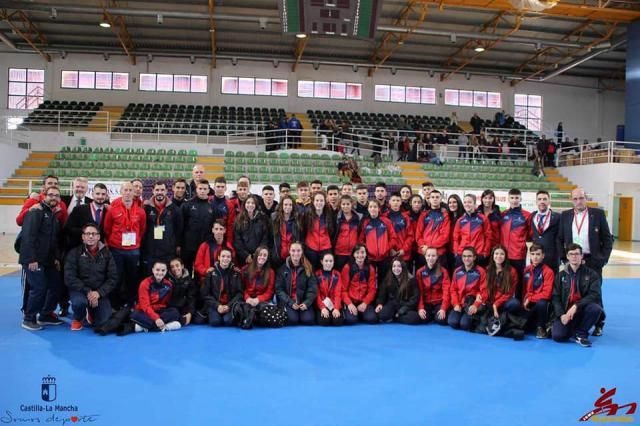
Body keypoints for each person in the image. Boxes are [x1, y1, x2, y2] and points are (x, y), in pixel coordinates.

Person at [558, 188, 612, 336]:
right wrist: (564, 258)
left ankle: (599, 323)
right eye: (575, 199)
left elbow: (607, 238)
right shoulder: (565, 215)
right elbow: (560, 238)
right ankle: (577, 318)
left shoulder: (598, 214)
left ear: (586, 198)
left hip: (592, 260)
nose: (578, 201)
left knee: (596, 294)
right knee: (574, 290)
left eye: (581, 198)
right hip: (573, 259)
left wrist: (603, 259)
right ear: (571, 200)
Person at [19, 186, 64, 331]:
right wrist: (31, 259)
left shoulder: (53, 216)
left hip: (48, 260)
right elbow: (28, 236)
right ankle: (29, 318)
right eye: (50, 195)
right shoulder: (35, 211)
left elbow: (54, 240)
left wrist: (56, 258)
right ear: (44, 196)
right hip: (33, 259)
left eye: (56, 196)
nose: (53, 198)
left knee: (56, 285)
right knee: (38, 288)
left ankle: (45, 315)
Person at [64, 223, 117, 331]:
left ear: (98, 236)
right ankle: (78, 318)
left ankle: (91, 311)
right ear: (83, 237)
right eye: (88, 234)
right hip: (80, 291)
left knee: (103, 322)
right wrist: (88, 292)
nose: (91, 237)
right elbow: (69, 277)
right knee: (79, 303)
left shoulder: (107, 254)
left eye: (94, 234)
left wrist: (98, 293)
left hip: (99, 292)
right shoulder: (74, 253)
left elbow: (113, 278)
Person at [103, 181, 146, 308]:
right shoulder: (113, 210)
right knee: (116, 277)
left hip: (134, 250)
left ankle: (131, 302)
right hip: (116, 249)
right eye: (125, 190)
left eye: (130, 190)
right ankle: (115, 304)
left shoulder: (140, 212)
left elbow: (142, 229)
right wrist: (114, 241)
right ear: (121, 192)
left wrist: (136, 241)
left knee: (132, 278)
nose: (127, 193)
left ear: (134, 193)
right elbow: (107, 229)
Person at [551, 244, 604, 348]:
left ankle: (581, 333)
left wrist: (576, 306)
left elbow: (595, 295)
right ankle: (573, 328)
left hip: (582, 309)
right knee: (558, 336)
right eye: (571, 254)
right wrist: (561, 314)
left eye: (577, 254)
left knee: (596, 308)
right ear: (567, 256)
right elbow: (555, 297)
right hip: (566, 311)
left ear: (582, 256)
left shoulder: (592, 274)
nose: (574, 256)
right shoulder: (560, 275)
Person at [141, 181, 183, 274]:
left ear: (167, 191)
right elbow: (142, 228)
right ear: (152, 191)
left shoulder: (175, 209)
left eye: (162, 190)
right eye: (157, 190)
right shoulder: (146, 208)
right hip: (150, 250)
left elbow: (179, 230)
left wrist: (177, 246)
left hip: (168, 251)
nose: (159, 192)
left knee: (167, 277)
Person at [129, 261, 181, 332]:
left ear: (166, 271)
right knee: (134, 315)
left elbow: (165, 303)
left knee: (175, 312)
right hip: (145, 311)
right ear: (153, 270)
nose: (160, 273)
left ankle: (144, 327)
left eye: (163, 270)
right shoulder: (144, 283)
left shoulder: (168, 285)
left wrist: (158, 316)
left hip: (159, 311)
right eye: (157, 270)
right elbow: (145, 306)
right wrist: (156, 318)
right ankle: (165, 327)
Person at [275, 242, 317, 325]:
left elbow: (312, 289)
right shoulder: (282, 269)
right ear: (289, 251)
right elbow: (279, 289)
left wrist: (306, 303)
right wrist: (290, 302)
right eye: (293, 251)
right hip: (289, 302)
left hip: (303, 302)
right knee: (292, 320)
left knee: (308, 320)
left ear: (302, 252)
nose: (296, 253)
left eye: (298, 251)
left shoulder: (308, 268)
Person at [198, 248, 243, 327]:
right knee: (215, 322)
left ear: (231, 258)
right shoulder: (210, 273)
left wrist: (229, 305)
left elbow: (240, 294)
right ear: (219, 257)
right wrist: (217, 306)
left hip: (230, 305)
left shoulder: (236, 273)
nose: (225, 259)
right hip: (215, 305)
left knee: (228, 321)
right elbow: (205, 294)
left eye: (228, 257)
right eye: (223, 256)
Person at [447, 246, 486, 331]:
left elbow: (483, 291)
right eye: (464, 256)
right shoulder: (457, 271)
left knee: (464, 325)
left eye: (469, 256)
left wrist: (476, 305)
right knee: (453, 323)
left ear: (474, 257)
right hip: (460, 303)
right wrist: (456, 304)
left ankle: (475, 317)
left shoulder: (481, 271)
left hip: (471, 304)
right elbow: (453, 290)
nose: (466, 258)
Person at [359, 200, 398, 284]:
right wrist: (367, 249)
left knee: (384, 280)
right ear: (368, 209)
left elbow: (393, 237)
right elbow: (361, 240)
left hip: (384, 257)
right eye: (370, 207)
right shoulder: (365, 222)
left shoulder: (386, 221)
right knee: (370, 279)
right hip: (370, 258)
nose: (373, 209)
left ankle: (382, 296)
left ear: (379, 208)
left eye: (375, 207)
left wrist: (386, 248)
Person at [180, 180, 214, 275]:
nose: (202, 191)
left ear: (208, 190)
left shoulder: (212, 207)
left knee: (201, 273)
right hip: (188, 246)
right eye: (200, 188)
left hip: (204, 246)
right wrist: (179, 244)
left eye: (204, 189)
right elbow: (180, 227)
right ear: (196, 189)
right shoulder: (187, 205)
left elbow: (213, 227)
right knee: (186, 272)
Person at [499, 188, 531, 286]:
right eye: (512, 198)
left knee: (518, 280)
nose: (514, 200)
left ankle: (518, 300)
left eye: (517, 198)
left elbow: (530, 234)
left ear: (520, 199)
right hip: (504, 254)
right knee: (503, 279)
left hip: (518, 254)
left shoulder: (527, 215)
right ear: (508, 199)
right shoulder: (503, 214)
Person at [64, 183, 109, 249]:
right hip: (80, 249)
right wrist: (85, 232)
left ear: (106, 196)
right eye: (97, 194)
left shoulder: (108, 211)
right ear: (92, 194)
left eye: (103, 194)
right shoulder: (79, 209)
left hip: (100, 250)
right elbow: (68, 228)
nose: (100, 196)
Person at [522, 244, 554, 339]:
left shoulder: (548, 272)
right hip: (528, 304)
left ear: (543, 255)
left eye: (538, 254)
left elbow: (547, 294)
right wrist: (524, 302)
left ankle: (541, 327)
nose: (535, 257)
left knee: (542, 303)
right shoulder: (526, 270)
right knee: (522, 326)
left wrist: (530, 298)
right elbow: (523, 290)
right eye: (532, 254)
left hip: (540, 304)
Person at [375, 258, 420, 324]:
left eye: (399, 266)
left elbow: (415, 298)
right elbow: (382, 293)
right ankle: (396, 315)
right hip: (393, 303)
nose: (396, 268)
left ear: (403, 267)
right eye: (394, 266)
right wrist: (380, 304)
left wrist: (402, 310)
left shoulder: (411, 279)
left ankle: (397, 317)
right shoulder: (388, 278)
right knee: (382, 316)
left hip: (406, 305)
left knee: (414, 318)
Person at [340, 244, 378, 325]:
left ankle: (361, 313)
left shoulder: (370, 268)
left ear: (366, 254)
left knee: (372, 319)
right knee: (350, 320)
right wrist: (349, 304)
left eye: (362, 252)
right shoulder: (347, 268)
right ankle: (355, 313)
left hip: (364, 301)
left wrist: (365, 303)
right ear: (353, 254)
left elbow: (372, 290)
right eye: (357, 253)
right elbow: (343, 290)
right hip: (351, 301)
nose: (360, 255)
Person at [482, 245, 521, 320]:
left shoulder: (512, 271)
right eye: (496, 253)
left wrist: (496, 304)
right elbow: (484, 289)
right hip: (490, 301)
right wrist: (485, 301)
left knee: (515, 303)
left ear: (505, 256)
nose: (499, 256)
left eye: (502, 254)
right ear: (492, 255)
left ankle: (502, 315)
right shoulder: (487, 270)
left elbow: (509, 293)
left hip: (503, 302)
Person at [415, 190, 451, 269]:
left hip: (439, 253)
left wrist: (429, 247)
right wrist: (423, 246)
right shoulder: (424, 214)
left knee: (439, 279)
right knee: (421, 278)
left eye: (437, 197)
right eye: (433, 197)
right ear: (429, 199)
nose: (435, 199)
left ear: (441, 199)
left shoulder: (445, 215)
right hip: (423, 252)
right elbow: (418, 234)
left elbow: (445, 236)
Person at [452, 194, 490, 267]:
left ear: (475, 204)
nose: (467, 204)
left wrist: (485, 253)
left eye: (469, 202)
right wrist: (457, 252)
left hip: (478, 254)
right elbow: (456, 238)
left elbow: (488, 237)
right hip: (462, 255)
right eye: (465, 202)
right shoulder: (460, 220)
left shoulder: (483, 219)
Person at [416, 247, 451, 324]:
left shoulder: (443, 271)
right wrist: (420, 308)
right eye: (428, 255)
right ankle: (431, 315)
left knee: (441, 320)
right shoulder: (420, 272)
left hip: (439, 302)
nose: (430, 258)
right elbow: (419, 292)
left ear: (437, 257)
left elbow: (446, 291)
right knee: (419, 319)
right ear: (425, 256)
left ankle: (436, 315)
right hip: (426, 303)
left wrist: (443, 308)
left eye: (433, 256)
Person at [234, 195, 270, 267]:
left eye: (253, 203)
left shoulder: (263, 218)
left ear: (256, 205)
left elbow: (265, 238)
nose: (250, 205)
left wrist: (256, 254)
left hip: (259, 256)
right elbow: (237, 240)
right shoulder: (238, 219)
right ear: (244, 204)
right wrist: (246, 255)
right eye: (248, 203)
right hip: (244, 258)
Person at [530, 190, 561, 272]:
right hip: (536, 258)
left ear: (549, 201)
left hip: (552, 259)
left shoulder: (558, 217)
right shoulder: (532, 216)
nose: (542, 201)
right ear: (536, 201)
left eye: (544, 199)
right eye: (539, 199)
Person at [302, 191, 335, 270]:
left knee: (325, 271)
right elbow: (304, 230)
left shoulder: (329, 214)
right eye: (317, 200)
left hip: (326, 248)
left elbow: (332, 231)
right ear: (313, 202)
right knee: (311, 271)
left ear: (325, 202)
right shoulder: (307, 215)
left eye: (321, 200)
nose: (319, 203)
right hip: (311, 249)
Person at [241, 246, 276, 314]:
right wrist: (247, 298)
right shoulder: (245, 269)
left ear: (267, 258)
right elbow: (242, 288)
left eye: (265, 255)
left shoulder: (271, 272)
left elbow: (269, 291)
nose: (262, 257)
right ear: (256, 255)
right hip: (247, 300)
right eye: (260, 255)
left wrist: (258, 299)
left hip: (263, 301)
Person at [271, 195, 302, 270]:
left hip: (292, 254)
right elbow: (271, 236)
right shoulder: (274, 218)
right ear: (281, 206)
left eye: (290, 205)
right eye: (285, 204)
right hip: (278, 254)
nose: (288, 207)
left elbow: (300, 236)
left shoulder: (297, 218)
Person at [333, 195, 362, 272]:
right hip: (339, 253)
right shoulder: (337, 218)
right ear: (340, 205)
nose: (345, 206)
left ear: (351, 204)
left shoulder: (358, 218)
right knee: (339, 274)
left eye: (348, 204)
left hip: (353, 253)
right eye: (343, 204)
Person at [315, 252, 344, 326]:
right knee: (324, 322)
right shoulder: (317, 274)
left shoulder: (337, 274)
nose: (329, 263)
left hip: (334, 304)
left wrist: (336, 308)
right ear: (322, 262)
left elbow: (338, 293)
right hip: (322, 304)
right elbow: (317, 294)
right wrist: (322, 308)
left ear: (334, 262)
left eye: (331, 261)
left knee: (337, 322)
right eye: (326, 261)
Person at [167, 257, 197, 326]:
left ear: (182, 266)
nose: (175, 269)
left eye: (177, 265)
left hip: (184, 308)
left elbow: (191, 298)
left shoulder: (190, 281)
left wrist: (190, 313)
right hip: (172, 308)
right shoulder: (167, 280)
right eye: (172, 267)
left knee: (197, 319)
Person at [387, 193, 414, 265]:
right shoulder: (384, 217)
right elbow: (383, 237)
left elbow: (410, 236)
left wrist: (403, 249)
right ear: (389, 202)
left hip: (403, 254)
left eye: (398, 200)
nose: (395, 202)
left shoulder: (406, 217)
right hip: (389, 253)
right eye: (393, 200)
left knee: (404, 275)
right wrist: (389, 249)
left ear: (401, 202)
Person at [211, 176, 236, 244]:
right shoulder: (208, 201)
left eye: (222, 187)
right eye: (218, 186)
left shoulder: (230, 205)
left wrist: (228, 242)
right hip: (208, 239)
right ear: (214, 188)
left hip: (222, 240)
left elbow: (230, 226)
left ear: (225, 188)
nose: (220, 189)